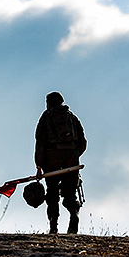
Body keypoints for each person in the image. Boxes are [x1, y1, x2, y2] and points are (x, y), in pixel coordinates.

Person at [34, 91, 87, 234]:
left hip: (52, 159)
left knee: (52, 192)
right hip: (72, 158)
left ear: (49, 103)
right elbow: (83, 142)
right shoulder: (72, 117)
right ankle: (74, 214)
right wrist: (74, 156)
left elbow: (40, 142)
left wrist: (39, 166)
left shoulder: (46, 117)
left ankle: (53, 226)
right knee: (70, 191)